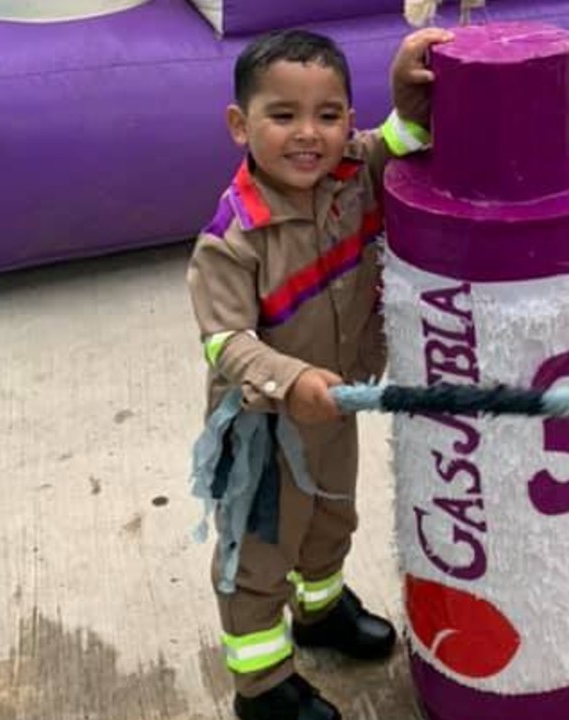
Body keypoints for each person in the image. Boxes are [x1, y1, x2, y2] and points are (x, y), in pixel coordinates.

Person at [186, 26, 451, 720]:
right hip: (264, 431)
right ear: (240, 124)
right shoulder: (232, 237)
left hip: (337, 403)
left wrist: (405, 92)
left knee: (333, 517)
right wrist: (289, 379)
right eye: (283, 116)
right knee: (259, 555)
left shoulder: (351, 175)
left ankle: (322, 611)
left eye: (328, 115)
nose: (308, 135)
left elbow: (402, 140)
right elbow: (224, 341)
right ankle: (263, 684)